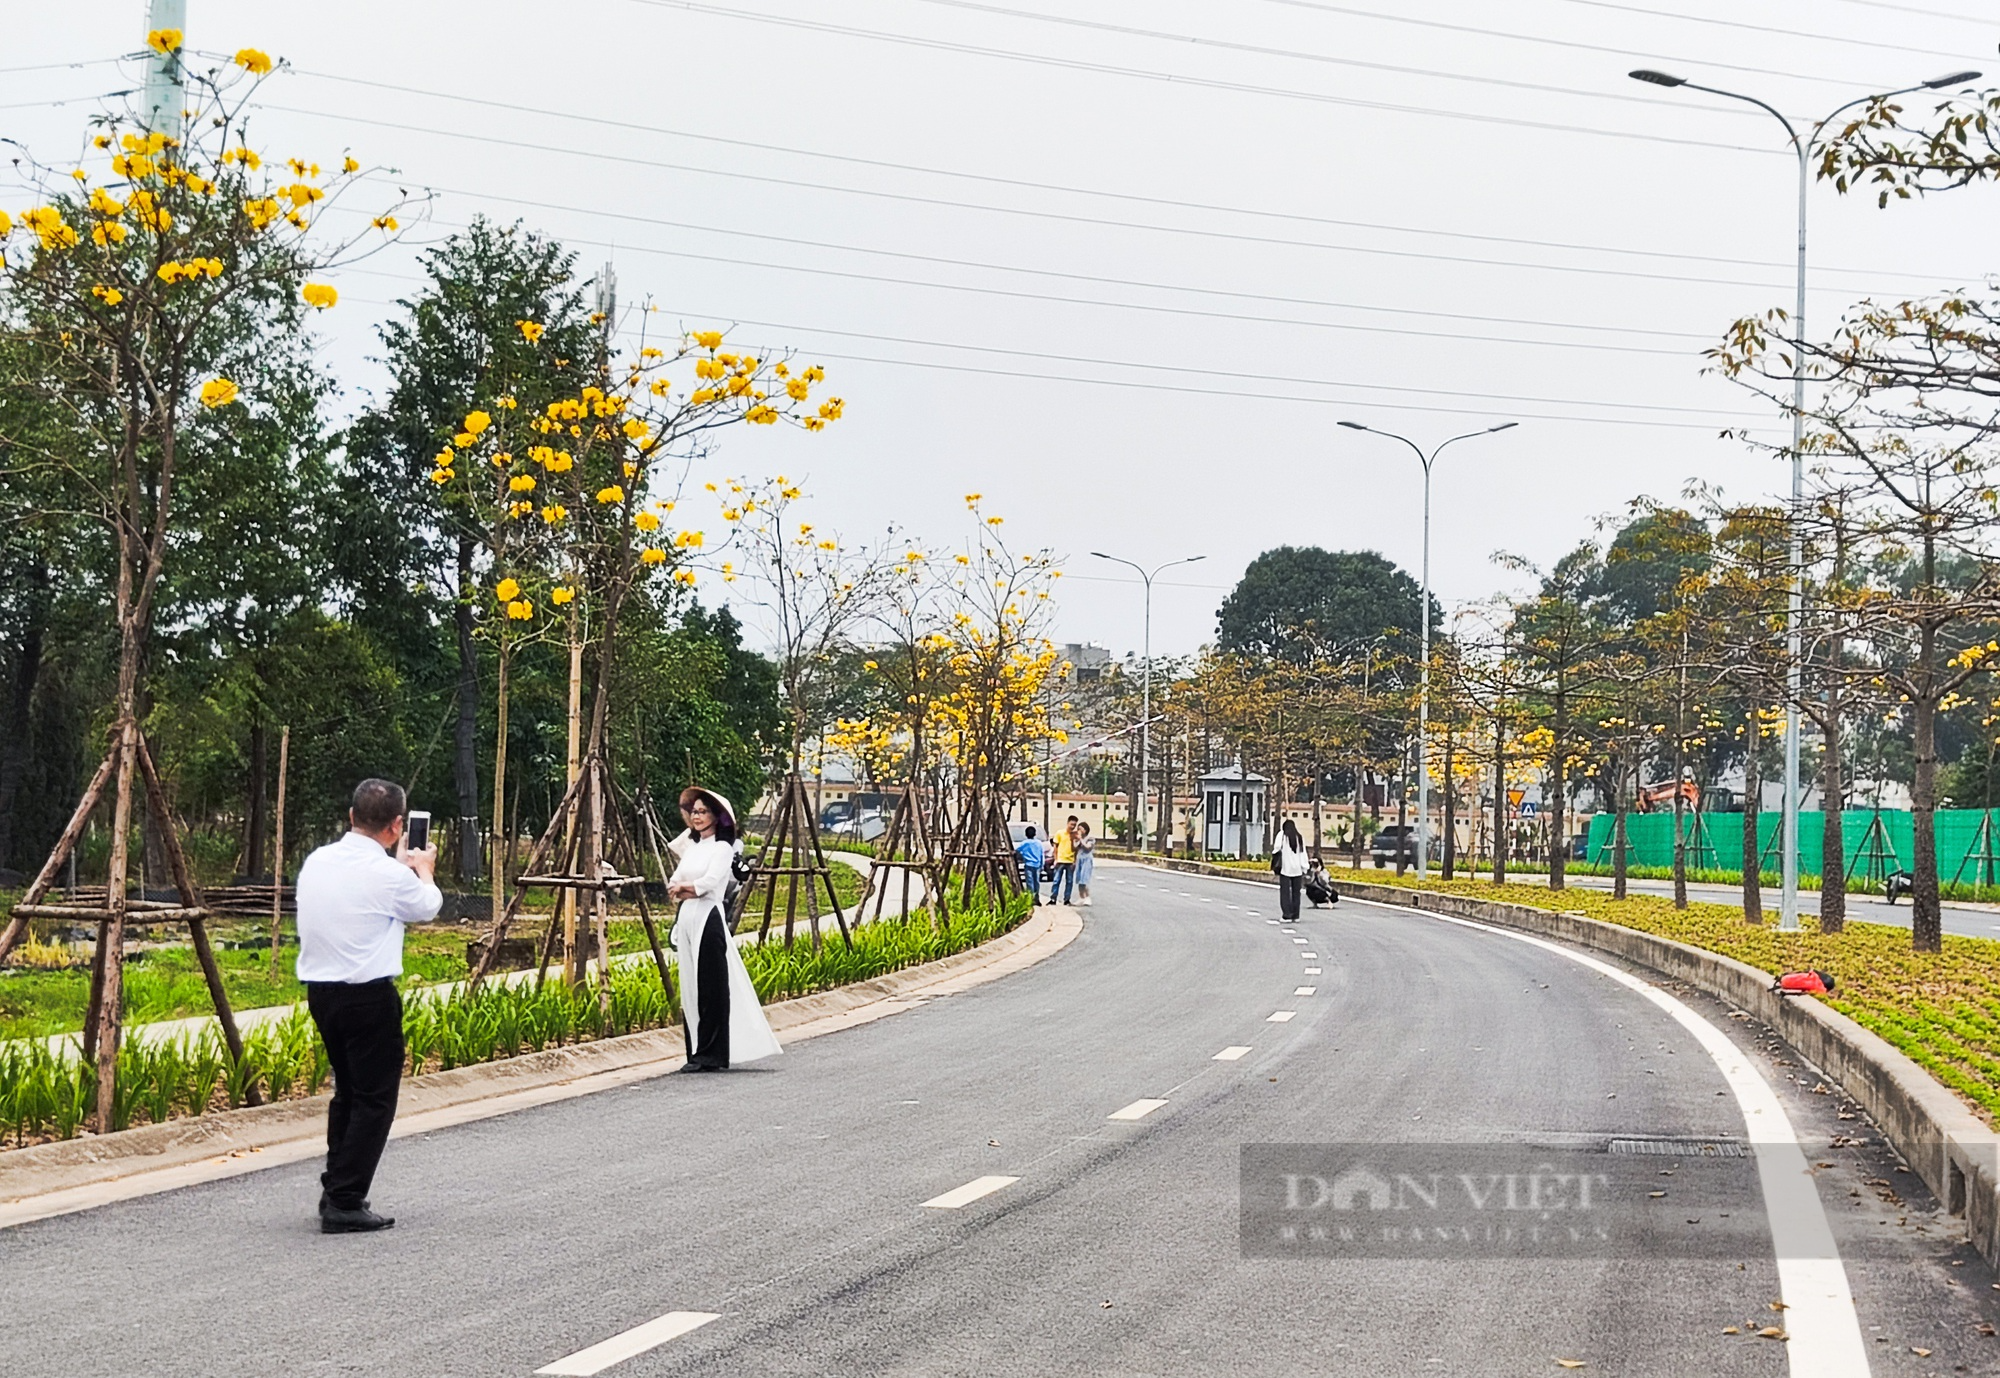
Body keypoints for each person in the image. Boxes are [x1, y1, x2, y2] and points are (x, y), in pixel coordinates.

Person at [294, 778, 441, 1234]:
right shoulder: (391, 875)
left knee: (349, 1093)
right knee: (375, 1098)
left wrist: (399, 867)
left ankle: (335, 1184)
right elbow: (428, 906)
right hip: (368, 994)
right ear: (398, 826)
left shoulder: (317, 861)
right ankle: (345, 1198)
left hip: (321, 991)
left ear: (352, 816)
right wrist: (425, 869)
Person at [668, 787, 781, 1072]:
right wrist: (683, 888)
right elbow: (675, 880)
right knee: (690, 985)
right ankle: (696, 1050)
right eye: (694, 811)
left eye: (703, 811)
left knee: (710, 986)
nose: (696, 816)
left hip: (708, 917)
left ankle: (712, 1053)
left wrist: (687, 889)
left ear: (717, 817)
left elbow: (710, 883)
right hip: (688, 918)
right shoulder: (694, 848)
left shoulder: (721, 847)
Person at [1272, 818, 1308, 922]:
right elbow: (1303, 853)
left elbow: (1276, 848)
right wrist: (1304, 867)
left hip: (1285, 869)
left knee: (1285, 893)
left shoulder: (1282, 835)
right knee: (1297, 893)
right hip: (1297, 870)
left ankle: (1286, 915)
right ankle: (1295, 915)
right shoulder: (1299, 837)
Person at [1049, 815, 1079, 905]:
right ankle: (1053, 898)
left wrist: (1075, 861)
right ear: (1067, 823)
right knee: (1056, 880)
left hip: (1070, 861)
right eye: (1071, 824)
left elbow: (1076, 849)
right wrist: (1055, 859)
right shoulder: (1060, 833)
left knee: (1069, 881)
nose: (1072, 826)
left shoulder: (1075, 835)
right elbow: (1055, 847)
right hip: (1060, 860)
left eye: (1074, 825)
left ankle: (1067, 899)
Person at [1015, 825, 1047, 904]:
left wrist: (1023, 854)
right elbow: (1041, 854)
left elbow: (1017, 850)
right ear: (1035, 834)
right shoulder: (1039, 843)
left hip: (1028, 864)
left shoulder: (1024, 843)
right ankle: (1037, 898)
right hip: (1037, 865)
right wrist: (1042, 864)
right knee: (1037, 882)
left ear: (1026, 834)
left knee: (1030, 882)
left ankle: (1031, 898)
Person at [1074, 820, 1096, 906]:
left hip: (1086, 859)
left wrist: (1081, 839)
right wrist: (1075, 840)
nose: (1079, 831)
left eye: (1081, 829)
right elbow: (1075, 847)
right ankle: (1081, 897)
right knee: (1079, 879)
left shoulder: (1090, 839)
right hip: (1079, 859)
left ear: (1085, 830)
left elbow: (1088, 847)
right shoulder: (1078, 839)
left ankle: (1087, 897)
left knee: (1084, 879)